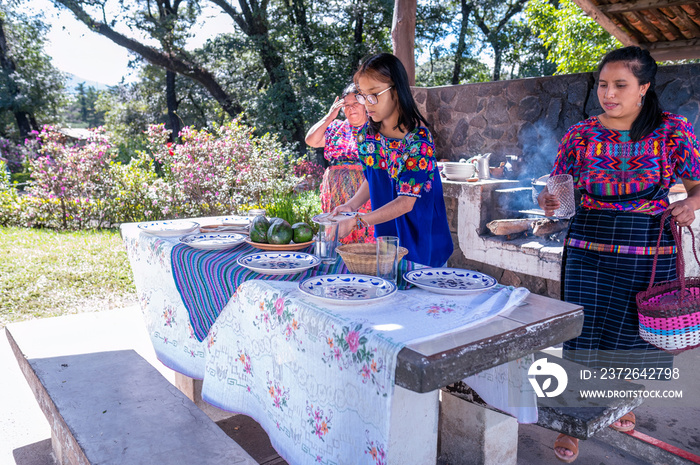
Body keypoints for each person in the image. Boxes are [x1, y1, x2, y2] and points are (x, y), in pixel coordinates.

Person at [538, 46, 700, 463]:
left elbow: (698, 186)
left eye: (620, 85)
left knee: (629, 337)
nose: (608, 94)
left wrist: (691, 205)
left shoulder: (672, 131)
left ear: (644, 87)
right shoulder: (581, 134)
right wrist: (551, 203)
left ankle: (615, 408)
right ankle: (572, 424)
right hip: (588, 246)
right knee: (582, 334)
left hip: (648, 247)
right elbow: (561, 194)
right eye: (603, 85)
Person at [332, 53, 453, 270]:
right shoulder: (366, 136)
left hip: (424, 246)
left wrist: (357, 221)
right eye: (362, 95)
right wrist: (351, 206)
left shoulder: (418, 140)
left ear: (396, 91)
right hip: (388, 244)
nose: (367, 104)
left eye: (374, 94)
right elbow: (375, 178)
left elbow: (406, 202)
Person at [305, 83, 374, 244]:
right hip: (335, 192)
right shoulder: (335, 127)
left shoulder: (374, 129)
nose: (351, 108)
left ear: (364, 104)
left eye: (356, 103)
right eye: (347, 105)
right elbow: (311, 140)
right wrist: (330, 116)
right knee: (337, 235)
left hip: (363, 191)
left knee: (363, 233)